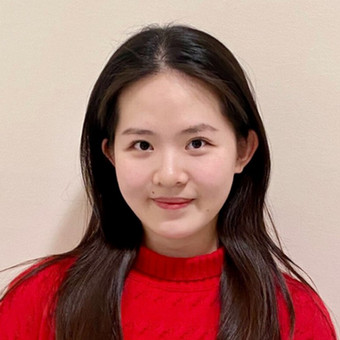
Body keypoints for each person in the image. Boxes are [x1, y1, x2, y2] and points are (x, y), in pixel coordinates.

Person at [0, 23, 337, 340]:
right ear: (110, 154)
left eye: (197, 143)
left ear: (243, 151)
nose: (169, 176)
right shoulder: (38, 301)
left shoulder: (295, 318)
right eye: (142, 145)